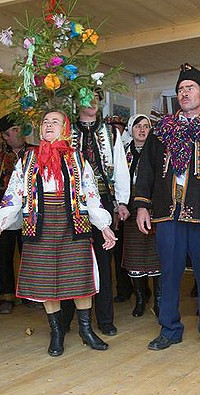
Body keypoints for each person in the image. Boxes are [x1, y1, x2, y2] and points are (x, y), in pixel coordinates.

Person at [0, 110, 117, 356]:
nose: (49, 125)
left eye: (54, 121)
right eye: (45, 122)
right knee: (46, 280)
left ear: (65, 129)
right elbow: (14, 193)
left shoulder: (77, 159)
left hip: (73, 222)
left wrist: (104, 225)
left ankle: (86, 330)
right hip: (40, 223)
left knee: (80, 276)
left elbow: (90, 194)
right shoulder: (27, 159)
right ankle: (56, 332)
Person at [134, 63, 200, 351]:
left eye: (190, 88)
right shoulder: (161, 130)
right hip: (168, 214)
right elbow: (147, 170)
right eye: (181, 89)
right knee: (169, 274)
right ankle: (169, 329)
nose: (185, 93)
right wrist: (142, 206)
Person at [66, 92, 131, 337]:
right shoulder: (66, 131)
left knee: (104, 261)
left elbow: (121, 169)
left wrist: (121, 203)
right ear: (77, 102)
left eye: (96, 98)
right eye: (86, 98)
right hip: (70, 203)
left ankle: (105, 319)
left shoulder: (111, 132)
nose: (92, 103)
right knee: (72, 260)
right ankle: (66, 318)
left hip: (102, 200)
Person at [0, 115, 32, 314]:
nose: (20, 133)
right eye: (15, 129)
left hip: (28, 210)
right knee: (4, 254)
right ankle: (6, 296)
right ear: (5, 135)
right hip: (2, 211)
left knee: (29, 253)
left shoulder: (34, 152)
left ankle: (30, 293)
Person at [122, 114, 161, 317]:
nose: (142, 130)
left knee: (156, 255)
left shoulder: (157, 151)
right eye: (138, 126)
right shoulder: (123, 153)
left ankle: (159, 300)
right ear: (131, 129)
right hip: (131, 209)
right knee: (135, 255)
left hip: (155, 208)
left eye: (147, 126)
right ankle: (140, 298)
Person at [106, 114, 135, 303]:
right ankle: (121, 289)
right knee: (113, 251)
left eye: (120, 126)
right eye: (113, 126)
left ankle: (132, 289)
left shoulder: (127, 146)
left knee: (126, 250)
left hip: (128, 206)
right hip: (113, 204)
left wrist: (121, 204)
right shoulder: (114, 147)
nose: (117, 129)